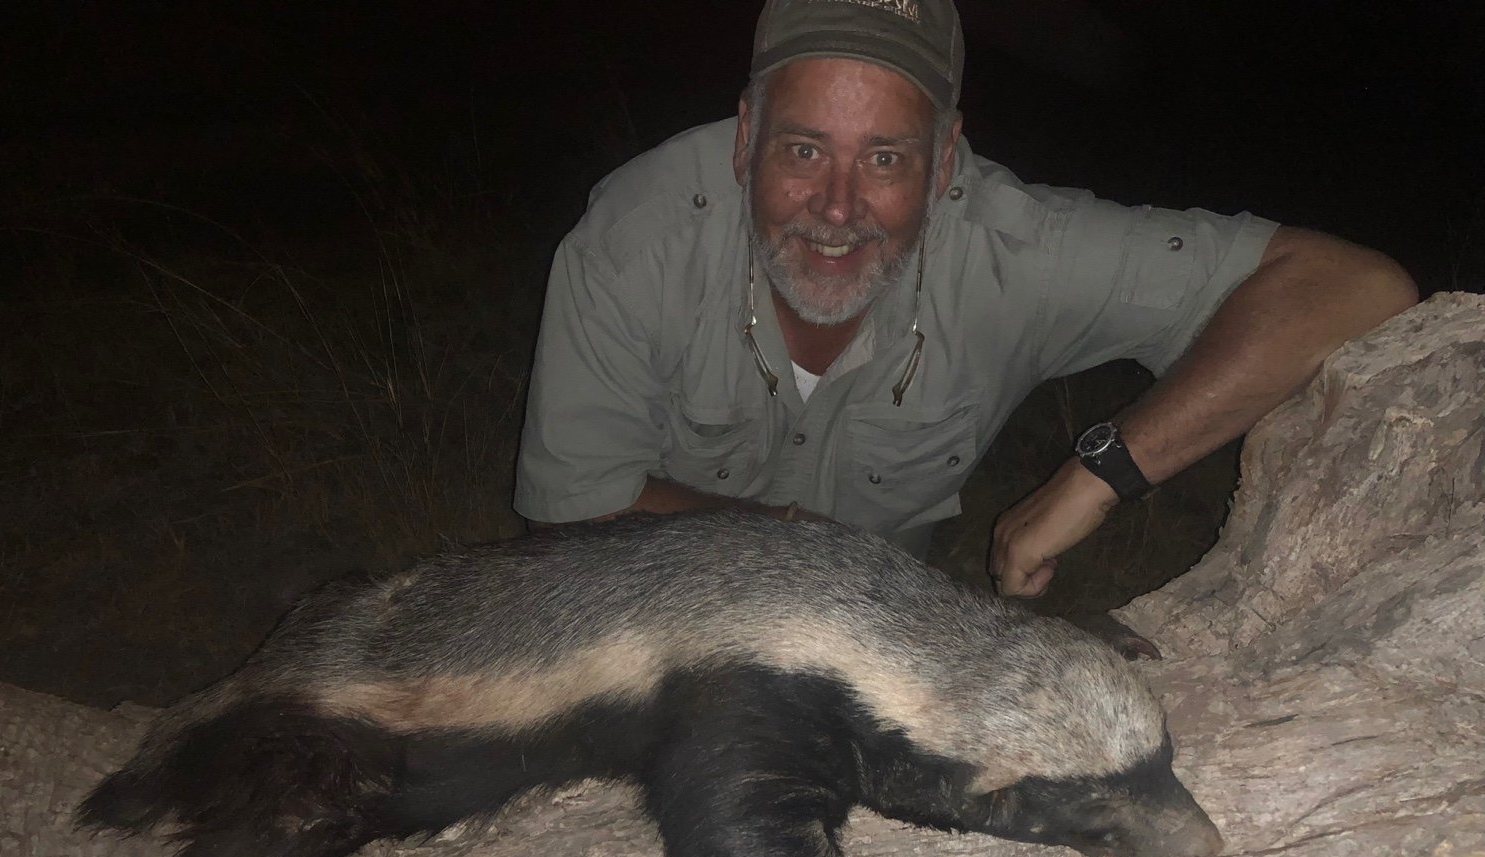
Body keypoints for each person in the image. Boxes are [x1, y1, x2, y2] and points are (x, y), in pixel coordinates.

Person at [515, 0, 1417, 595]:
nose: (836, 207)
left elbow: (1355, 287)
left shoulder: (1013, 249)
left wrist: (1099, 472)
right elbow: (567, 511)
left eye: (884, 158)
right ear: (747, 134)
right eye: (801, 150)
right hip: (648, 597)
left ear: (945, 160)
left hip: (883, 628)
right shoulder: (632, 244)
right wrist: (787, 544)